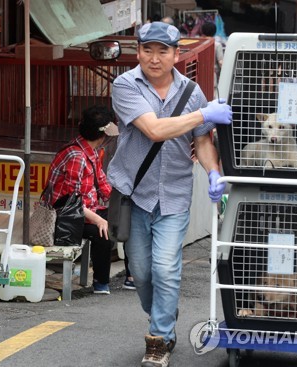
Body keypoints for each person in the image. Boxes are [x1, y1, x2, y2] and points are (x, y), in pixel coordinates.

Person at [107, 21, 232, 367]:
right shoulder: (125, 84)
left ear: (177, 55)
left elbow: (203, 140)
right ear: (138, 52)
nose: (155, 58)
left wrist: (213, 173)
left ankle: (158, 339)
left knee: (165, 268)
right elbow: (154, 129)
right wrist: (203, 114)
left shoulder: (192, 92)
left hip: (175, 194)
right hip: (135, 195)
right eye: (148, 49)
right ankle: (164, 310)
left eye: (163, 51)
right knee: (143, 273)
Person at [46, 105, 118, 295]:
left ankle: (132, 277)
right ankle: (101, 283)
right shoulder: (76, 156)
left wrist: (122, 203)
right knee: (103, 231)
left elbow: (103, 184)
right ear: (102, 135)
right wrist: (99, 219)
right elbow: (72, 201)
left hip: (83, 211)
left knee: (123, 218)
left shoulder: (90, 150)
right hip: (63, 217)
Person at [201, 21, 224, 99]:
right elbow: (221, 62)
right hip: (212, 75)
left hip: (199, 73)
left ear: (202, 31)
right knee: (212, 95)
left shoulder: (198, 44)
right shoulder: (217, 45)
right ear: (214, 31)